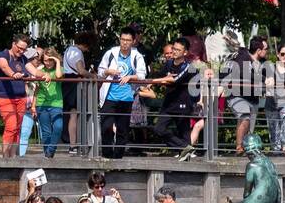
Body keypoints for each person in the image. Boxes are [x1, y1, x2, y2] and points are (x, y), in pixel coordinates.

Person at [96, 27, 147, 159]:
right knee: (106, 126)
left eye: (128, 40)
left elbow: (142, 75)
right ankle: (107, 154)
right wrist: (109, 72)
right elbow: (100, 71)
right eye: (122, 39)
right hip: (109, 96)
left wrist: (130, 77)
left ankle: (118, 156)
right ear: (119, 39)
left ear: (133, 41)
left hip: (127, 97)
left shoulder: (137, 56)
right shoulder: (111, 53)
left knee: (122, 129)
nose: (125, 43)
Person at [150, 37, 200, 159]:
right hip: (169, 103)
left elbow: (175, 80)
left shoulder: (189, 67)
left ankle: (187, 157)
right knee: (158, 129)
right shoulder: (168, 64)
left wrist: (156, 80)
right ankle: (184, 148)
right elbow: (162, 76)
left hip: (183, 104)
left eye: (178, 50)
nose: (174, 51)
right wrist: (160, 79)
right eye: (173, 48)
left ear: (185, 52)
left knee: (184, 132)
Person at [223, 35, 269, 155]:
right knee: (244, 117)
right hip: (236, 95)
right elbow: (244, 73)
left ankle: (245, 154)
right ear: (259, 51)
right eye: (266, 49)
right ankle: (239, 149)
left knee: (249, 130)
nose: (267, 51)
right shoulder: (243, 56)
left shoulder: (262, 63)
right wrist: (264, 79)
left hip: (252, 98)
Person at [0, 34, 34, 158]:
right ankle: (5, 158)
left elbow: (34, 70)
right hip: (5, 97)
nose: (21, 51)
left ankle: (13, 157)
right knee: (11, 126)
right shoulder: (3, 55)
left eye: (24, 49)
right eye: (19, 48)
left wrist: (44, 75)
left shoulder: (23, 59)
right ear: (13, 44)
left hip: (21, 97)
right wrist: (13, 74)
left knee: (17, 128)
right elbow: (4, 66)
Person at [61, 33, 89, 154]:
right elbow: (80, 70)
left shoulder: (68, 50)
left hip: (66, 82)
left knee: (69, 114)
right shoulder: (78, 52)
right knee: (74, 115)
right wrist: (93, 75)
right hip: (75, 83)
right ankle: (73, 144)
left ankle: (71, 142)